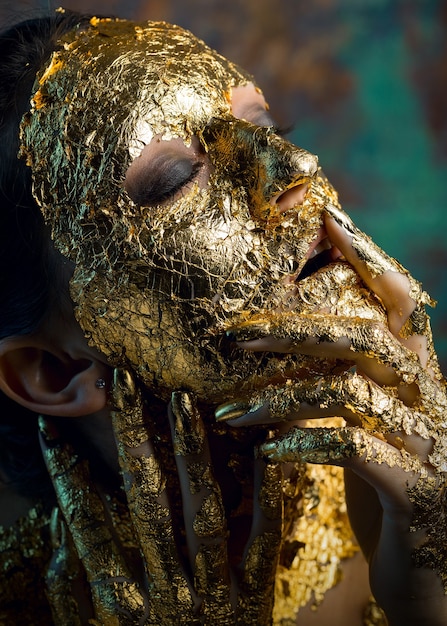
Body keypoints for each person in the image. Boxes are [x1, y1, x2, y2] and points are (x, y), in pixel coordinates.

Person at [0, 9, 446, 625]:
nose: (297, 168)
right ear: (53, 371)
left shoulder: (422, 491)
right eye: (177, 179)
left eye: (264, 125)